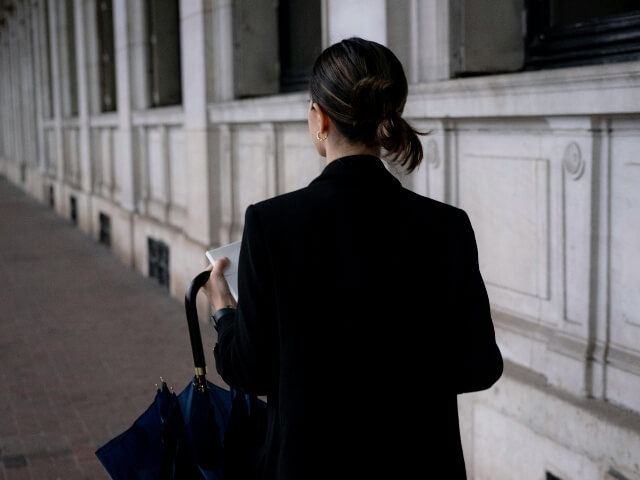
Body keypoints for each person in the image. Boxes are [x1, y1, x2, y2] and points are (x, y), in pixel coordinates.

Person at [203, 37, 503, 480]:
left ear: (319, 118)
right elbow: (480, 366)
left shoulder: (271, 224)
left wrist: (224, 311)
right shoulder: (446, 226)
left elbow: (250, 372)